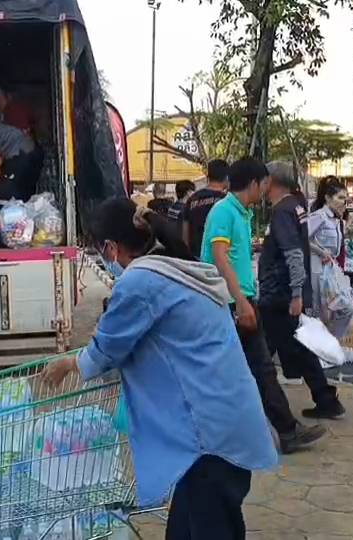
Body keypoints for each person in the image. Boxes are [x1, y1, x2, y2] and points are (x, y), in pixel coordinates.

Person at [42, 198, 278, 539]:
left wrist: (68, 364)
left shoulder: (141, 281)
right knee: (191, 523)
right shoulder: (179, 267)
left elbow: (108, 348)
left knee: (210, 523)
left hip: (207, 434)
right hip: (227, 419)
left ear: (111, 247)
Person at [201, 157, 327, 454]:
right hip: (228, 302)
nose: (265, 191)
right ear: (254, 183)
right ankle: (283, 430)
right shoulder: (224, 212)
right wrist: (241, 302)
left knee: (256, 369)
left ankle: (283, 429)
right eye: (264, 184)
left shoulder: (240, 213)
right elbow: (219, 258)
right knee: (255, 369)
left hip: (240, 300)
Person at [259, 162, 345, 419]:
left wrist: (296, 293)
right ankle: (325, 399)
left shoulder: (283, 211)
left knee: (261, 352)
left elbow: (294, 253)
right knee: (296, 347)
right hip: (285, 292)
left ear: (271, 181)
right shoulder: (295, 207)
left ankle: (265, 409)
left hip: (279, 293)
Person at [181, 159, 228, 259]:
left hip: (195, 258)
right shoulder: (227, 202)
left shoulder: (192, 199)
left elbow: (185, 233)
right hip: (219, 259)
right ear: (226, 178)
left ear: (208, 177)